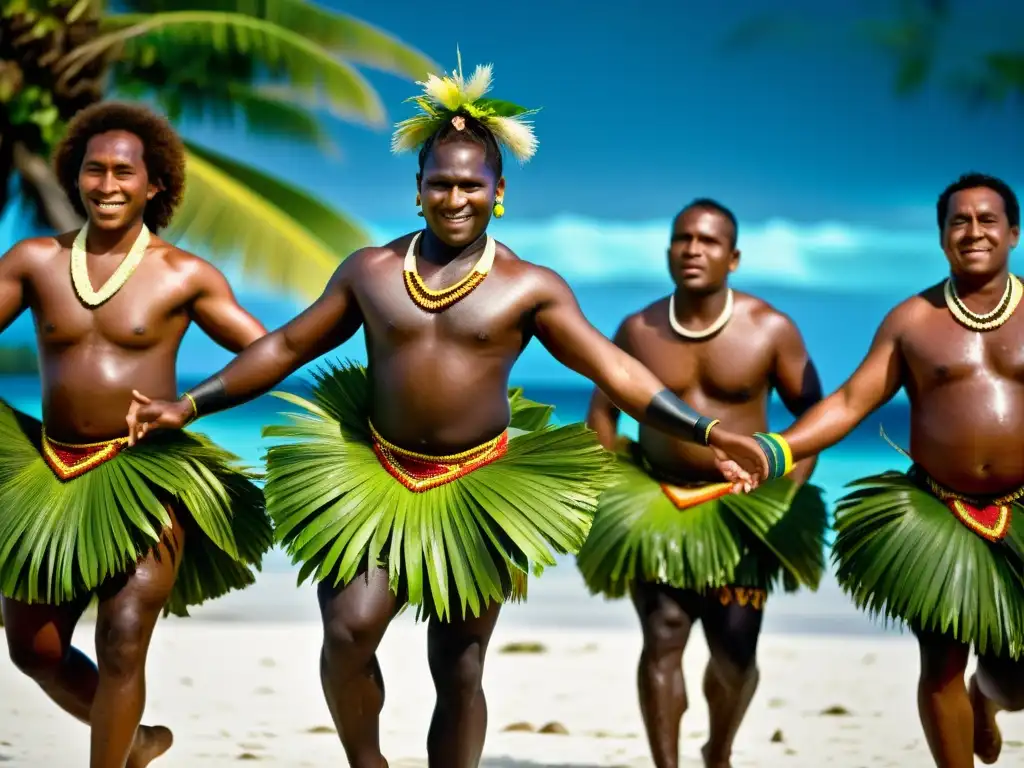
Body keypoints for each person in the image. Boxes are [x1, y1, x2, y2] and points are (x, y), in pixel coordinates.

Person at [124, 56, 768, 768]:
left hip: (479, 485)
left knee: (459, 665)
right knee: (346, 632)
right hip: (375, 473)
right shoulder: (369, 271)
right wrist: (189, 402)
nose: (454, 197)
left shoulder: (531, 288)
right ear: (417, 189)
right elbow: (284, 347)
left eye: (471, 184)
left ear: (499, 193)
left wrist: (710, 431)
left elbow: (618, 373)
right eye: (440, 183)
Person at [0, 101, 274, 768]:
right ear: (76, 178)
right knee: (33, 652)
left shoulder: (184, 274)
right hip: (51, 471)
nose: (107, 184)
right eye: (94, 170)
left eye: (124, 171)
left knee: (124, 639)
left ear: (155, 185)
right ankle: (136, 743)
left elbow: (267, 351)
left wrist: (191, 403)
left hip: (147, 475)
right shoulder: (35, 261)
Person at [718, 173, 1024, 768]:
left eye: (988, 219)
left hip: (1022, 507)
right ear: (941, 238)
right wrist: (776, 449)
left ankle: (988, 698)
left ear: (1013, 232)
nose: (973, 231)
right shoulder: (911, 321)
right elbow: (851, 402)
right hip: (938, 513)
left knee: (1015, 679)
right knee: (940, 662)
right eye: (959, 221)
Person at [576, 198, 828, 768]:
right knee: (663, 634)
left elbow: (813, 418)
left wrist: (784, 489)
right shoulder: (637, 330)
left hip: (743, 508)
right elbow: (603, 413)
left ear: (733, 257)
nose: (694, 249)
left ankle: (718, 751)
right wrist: (611, 482)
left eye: (709, 241)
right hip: (657, 498)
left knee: (735, 648)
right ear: (668, 250)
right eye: (683, 238)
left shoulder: (771, 329)